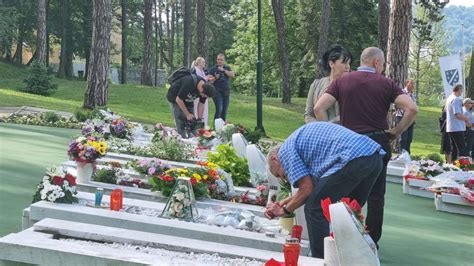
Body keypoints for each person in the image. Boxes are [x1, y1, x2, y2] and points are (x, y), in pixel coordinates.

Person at [314, 47, 417, 248]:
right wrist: (397, 131)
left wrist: (330, 133)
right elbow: (412, 108)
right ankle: (370, 240)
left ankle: (340, 234)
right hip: (376, 142)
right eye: (383, 63)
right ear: (377, 63)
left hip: (348, 142)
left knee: (343, 188)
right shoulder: (387, 84)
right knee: (376, 194)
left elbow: (319, 107)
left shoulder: (342, 81)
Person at [264, 122, 385, 259]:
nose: (285, 178)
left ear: (274, 158)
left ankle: (321, 260)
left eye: (279, 174)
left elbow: (307, 189)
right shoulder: (297, 144)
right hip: (372, 158)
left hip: (353, 158)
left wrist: (284, 211)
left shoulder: (285, 152)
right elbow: (312, 188)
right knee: (348, 211)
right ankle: (354, 257)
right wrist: (284, 202)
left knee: (314, 208)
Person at [304, 45, 352, 123]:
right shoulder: (316, 84)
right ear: (331, 64)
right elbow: (308, 114)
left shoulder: (352, 85)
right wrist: (320, 128)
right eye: (344, 62)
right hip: (319, 132)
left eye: (349, 63)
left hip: (343, 133)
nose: (348, 67)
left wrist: (329, 126)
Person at [166, 73, 215, 138]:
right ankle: (181, 139)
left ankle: (193, 140)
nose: (203, 96)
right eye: (203, 95)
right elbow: (178, 100)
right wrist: (187, 114)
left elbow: (201, 103)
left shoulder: (206, 88)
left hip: (188, 99)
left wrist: (199, 119)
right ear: (201, 90)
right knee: (180, 122)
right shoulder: (189, 82)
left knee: (192, 123)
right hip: (175, 98)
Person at [208, 54, 235, 122]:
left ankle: (222, 129)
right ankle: (216, 127)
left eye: (221, 60)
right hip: (217, 91)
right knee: (219, 109)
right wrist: (215, 78)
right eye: (218, 59)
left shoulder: (227, 68)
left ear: (224, 61)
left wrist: (223, 70)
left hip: (226, 92)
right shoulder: (213, 68)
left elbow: (232, 75)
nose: (219, 61)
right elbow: (209, 80)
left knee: (224, 111)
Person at [445, 84, 469, 160]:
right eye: (461, 90)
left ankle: (453, 167)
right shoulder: (455, 99)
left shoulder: (449, 98)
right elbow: (458, 114)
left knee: (454, 148)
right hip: (457, 127)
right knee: (462, 149)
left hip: (451, 127)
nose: (462, 92)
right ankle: (462, 167)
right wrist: (466, 118)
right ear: (458, 89)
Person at [191, 57, 215, 127]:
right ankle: (195, 120)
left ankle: (202, 121)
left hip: (204, 92)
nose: (204, 64)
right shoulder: (195, 69)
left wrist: (209, 79)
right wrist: (206, 78)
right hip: (198, 91)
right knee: (196, 106)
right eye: (203, 62)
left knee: (203, 106)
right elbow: (196, 79)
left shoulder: (203, 71)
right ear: (198, 63)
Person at [395, 79, 416, 154]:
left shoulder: (413, 94)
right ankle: (402, 154)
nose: (412, 85)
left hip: (411, 118)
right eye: (411, 83)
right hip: (402, 116)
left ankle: (407, 154)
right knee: (404, 137)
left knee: (409, 138)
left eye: (413, 84)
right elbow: (397, 103)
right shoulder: (402, 92)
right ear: (407, 83)